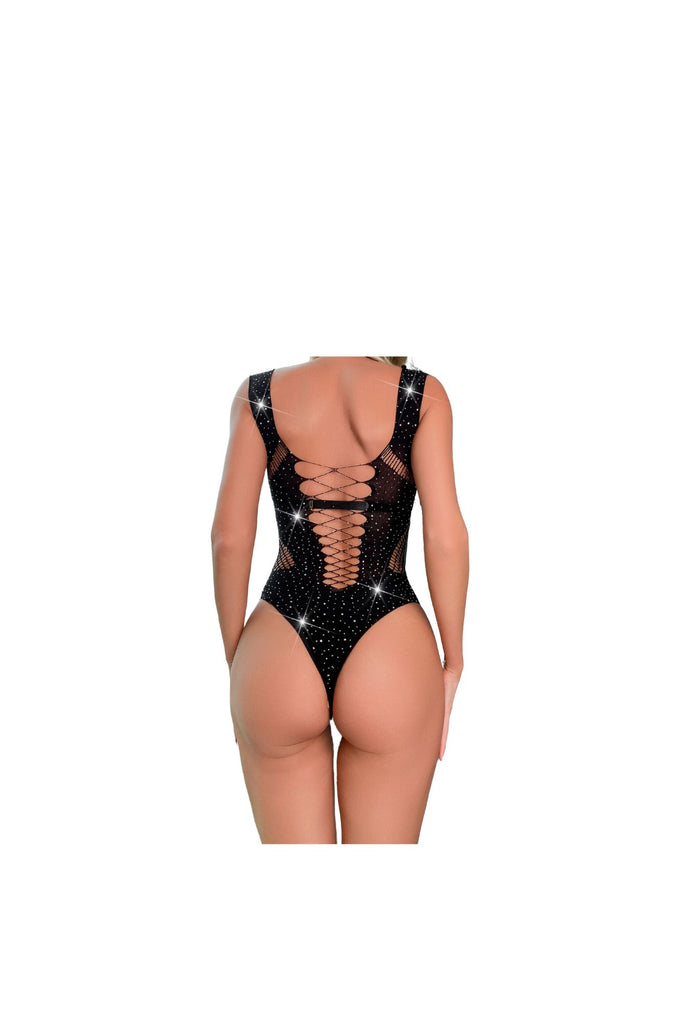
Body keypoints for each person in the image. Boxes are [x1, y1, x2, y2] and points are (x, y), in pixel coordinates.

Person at [211, 355, 469, 843]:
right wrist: (453, 662)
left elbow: (228, 539)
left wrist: (235, 660)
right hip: (389, 640)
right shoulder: (420, 395)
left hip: (279, 642)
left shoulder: (258, 395)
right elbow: (446, 539)